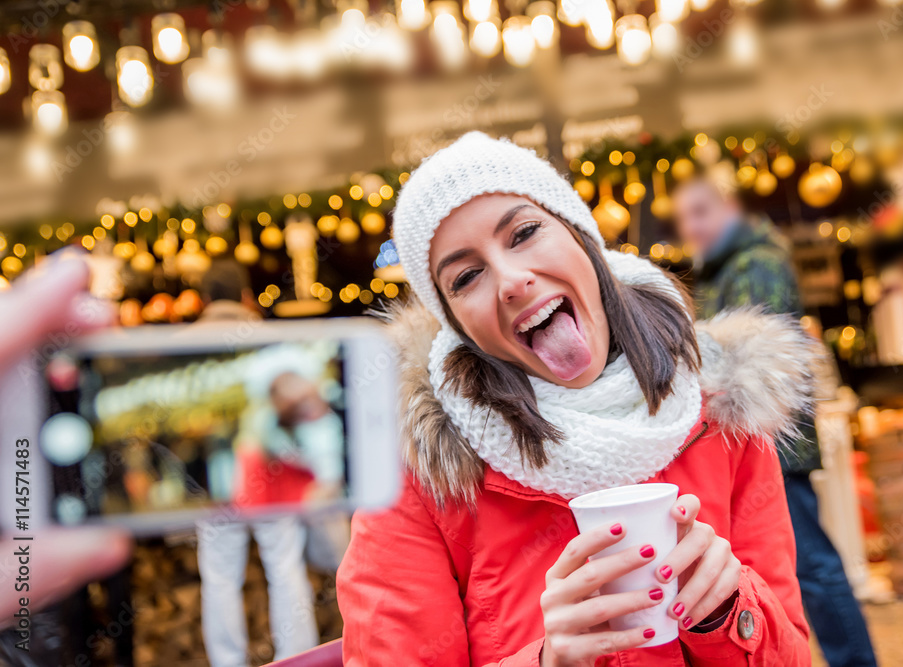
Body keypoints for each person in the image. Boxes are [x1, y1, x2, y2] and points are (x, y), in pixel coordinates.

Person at [336, 132, 815, 665]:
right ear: (457, 323)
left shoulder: (724, 411)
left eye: (523, 232)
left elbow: (789, 652)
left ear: (581, 236)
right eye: (468, 275)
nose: (512, 280)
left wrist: (727, 614)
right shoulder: (418, 473)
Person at [673, 176, 878, 667]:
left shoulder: (755, 264)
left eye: (701, 212)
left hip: (770, 443)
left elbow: (746, 360)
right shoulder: (729, 266)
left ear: (728, 208)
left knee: (815, 568)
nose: (692, 227)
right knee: (806, 567)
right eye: (685, 218)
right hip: (760, 438)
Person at [190, 261, 322, 666]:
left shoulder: (183, 342)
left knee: (219, 576)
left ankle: (228, 661)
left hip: (211, 475)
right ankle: (294, 657)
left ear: (205, 300)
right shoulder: (274, 341)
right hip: (266, 467)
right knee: (284, 564)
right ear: (246, 297)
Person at [0, 249, 131, 656]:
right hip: (54, 485)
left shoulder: (100, 357)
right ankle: (84, 650)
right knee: (70, 588)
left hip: (102, 481)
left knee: (112, 579)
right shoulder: (34, 362)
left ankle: (117, 650)